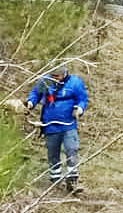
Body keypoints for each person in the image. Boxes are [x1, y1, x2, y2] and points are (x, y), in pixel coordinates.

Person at [25, 65, 89, 193]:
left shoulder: (75, 83)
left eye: (57, 76)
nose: (55, 79)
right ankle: (55, 182)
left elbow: (83, 99)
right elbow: (36, 94)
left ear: (64, 73)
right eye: (53, 76)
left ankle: (72, 180)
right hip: (50, 125)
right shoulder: (46, 81)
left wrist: (80, 109)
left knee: (72, 149)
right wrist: (30, 103)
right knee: (53, 153)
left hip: (68, 125)